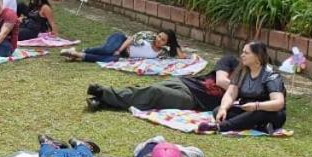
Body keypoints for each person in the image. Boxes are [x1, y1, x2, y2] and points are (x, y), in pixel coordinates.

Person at [87, 54, 239, 112]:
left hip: (193, 100)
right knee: (146, 90)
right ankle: (104, 102)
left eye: (247, 53)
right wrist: (240, 89)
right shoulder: (231, 61)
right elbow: (220, 80)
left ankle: (103, 94)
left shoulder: (255, 83)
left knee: (154, 92)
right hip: (183, 82)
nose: (243, 54)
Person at [199, 42, 287, 134]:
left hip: (269, 112)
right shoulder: (242, 70)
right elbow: (230, 93)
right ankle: (261, 126)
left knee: (257, 113)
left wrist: (257, 106)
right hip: (246, 109)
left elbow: (279, 103)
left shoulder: (270, 74)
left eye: (246, 53)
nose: (242, 55)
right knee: (217, 111)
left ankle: (219, 127)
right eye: (242, 52)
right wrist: (223, 108)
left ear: (258, 56)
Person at [62, 28, 182, 63]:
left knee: (111, 59)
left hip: (124, 54)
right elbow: (131, 39)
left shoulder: (162, 53)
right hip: (120, 40)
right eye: (159, 36)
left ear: (167, 43)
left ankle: (77, 55)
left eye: (163, 40)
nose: (159, 39)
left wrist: (175, 45)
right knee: (109, 49)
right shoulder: (149, 35)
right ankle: (80, 51)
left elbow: (180, 56)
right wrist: (119, 50)